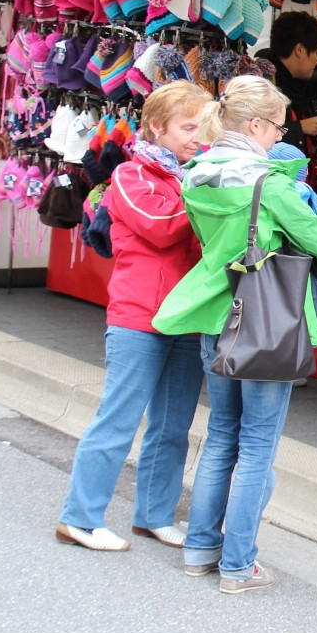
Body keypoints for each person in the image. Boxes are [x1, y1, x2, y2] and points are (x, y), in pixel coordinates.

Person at [153, 75, 317, 593]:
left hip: (218, 318)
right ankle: (238, 564)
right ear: (254, 124)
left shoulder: (198, 171)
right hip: (268, 324)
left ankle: (201, 549)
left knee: (221, 435)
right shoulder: (268, 182)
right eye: (276, 125)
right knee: (256, 446)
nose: (279, 136)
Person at [55, 80, 214, 552]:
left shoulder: (191, 176)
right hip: (138, 316)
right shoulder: (129, 176)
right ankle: (79, 518)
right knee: (118, 420)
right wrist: (208, 194)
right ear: (156, 128)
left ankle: (154, 515)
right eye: (187, 127)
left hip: (186, 315)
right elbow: (162, 230)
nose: (196, 137)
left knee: (173, 426)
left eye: (202, 127)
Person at [261, 11, 317, 190]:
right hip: (275, 188)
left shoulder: (299, 84)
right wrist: (299, 127)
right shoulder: (264, 84)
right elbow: (254, 135)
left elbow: (308, 122)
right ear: (300, 50)